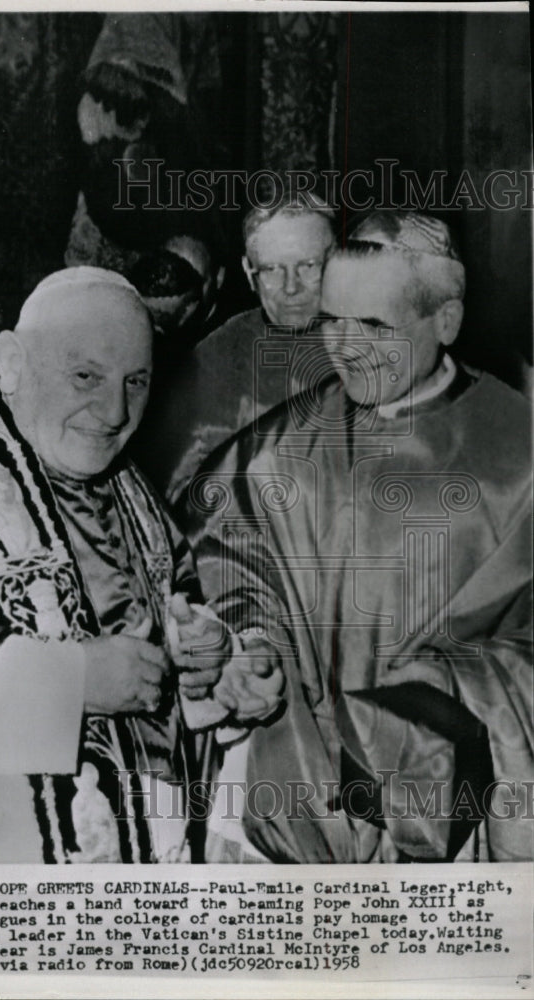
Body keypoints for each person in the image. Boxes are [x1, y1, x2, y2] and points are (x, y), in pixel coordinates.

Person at [0, 267, 284, 864]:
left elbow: (163, 671)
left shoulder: (127, 490)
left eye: (136, 381)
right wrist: (70, 685)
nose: (115, 410)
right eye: (85, 376)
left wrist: (216, 675)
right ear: (11, 362)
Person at [180, 211, 533, 863]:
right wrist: (246, 646)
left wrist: (436, 698)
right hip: (289, 795)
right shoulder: (278, 447)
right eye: (331, 320)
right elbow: (222, 556)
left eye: (374, 325)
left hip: (457, 814)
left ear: (444, 321)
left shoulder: (520, 451)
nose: (344, 346)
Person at [136, 195, 335, 502]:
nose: (291, 286)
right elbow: (173, 490)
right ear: (248, 272)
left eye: (308, 266)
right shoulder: (218, 357)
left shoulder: (379, 341)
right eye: (271, 269)